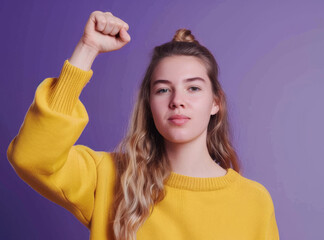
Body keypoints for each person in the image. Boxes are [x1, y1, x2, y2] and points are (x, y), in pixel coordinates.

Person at [7, 10, 279, 240]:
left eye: (193, 88)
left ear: (215, 103)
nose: (177, 101)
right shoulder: (111, 178)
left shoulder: (253, 201)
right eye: (162, 90)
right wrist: (87, 49)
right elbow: (32, 157)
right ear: (149, 103)